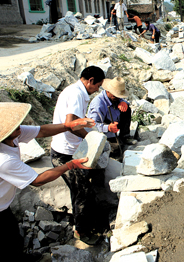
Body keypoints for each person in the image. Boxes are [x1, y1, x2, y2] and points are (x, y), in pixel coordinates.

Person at [0, 102, 94, 262]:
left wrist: (68, 125)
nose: (20, 125)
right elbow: (38, 180)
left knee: (14, 239)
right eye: (14, 125)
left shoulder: (11, 135)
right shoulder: (0, 159)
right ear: (3, 131)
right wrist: (70, 165)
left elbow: (42, 131)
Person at [50, 66, 105, 245]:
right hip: (63, 154)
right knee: (83, 191)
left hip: (71, 150)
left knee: (82, 188)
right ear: (90, 81)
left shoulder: (77, 92)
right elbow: (70, 124)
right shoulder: (75, 94)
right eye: (98, 85)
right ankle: (81, 232)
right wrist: (90, 137)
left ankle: (88, 223)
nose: (98, 89)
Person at [87, 77, 132, 153]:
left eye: (119, 96)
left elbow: (121, 100)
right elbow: (92, 126)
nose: (118, 98)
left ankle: (124, 136)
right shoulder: (98, 104)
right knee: (116, 148)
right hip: (102, 131)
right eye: (115, 96)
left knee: (126, 109)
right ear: (108, 91)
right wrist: (108, 128)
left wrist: (123, 102)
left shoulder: (115, 98)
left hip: (114, 124)